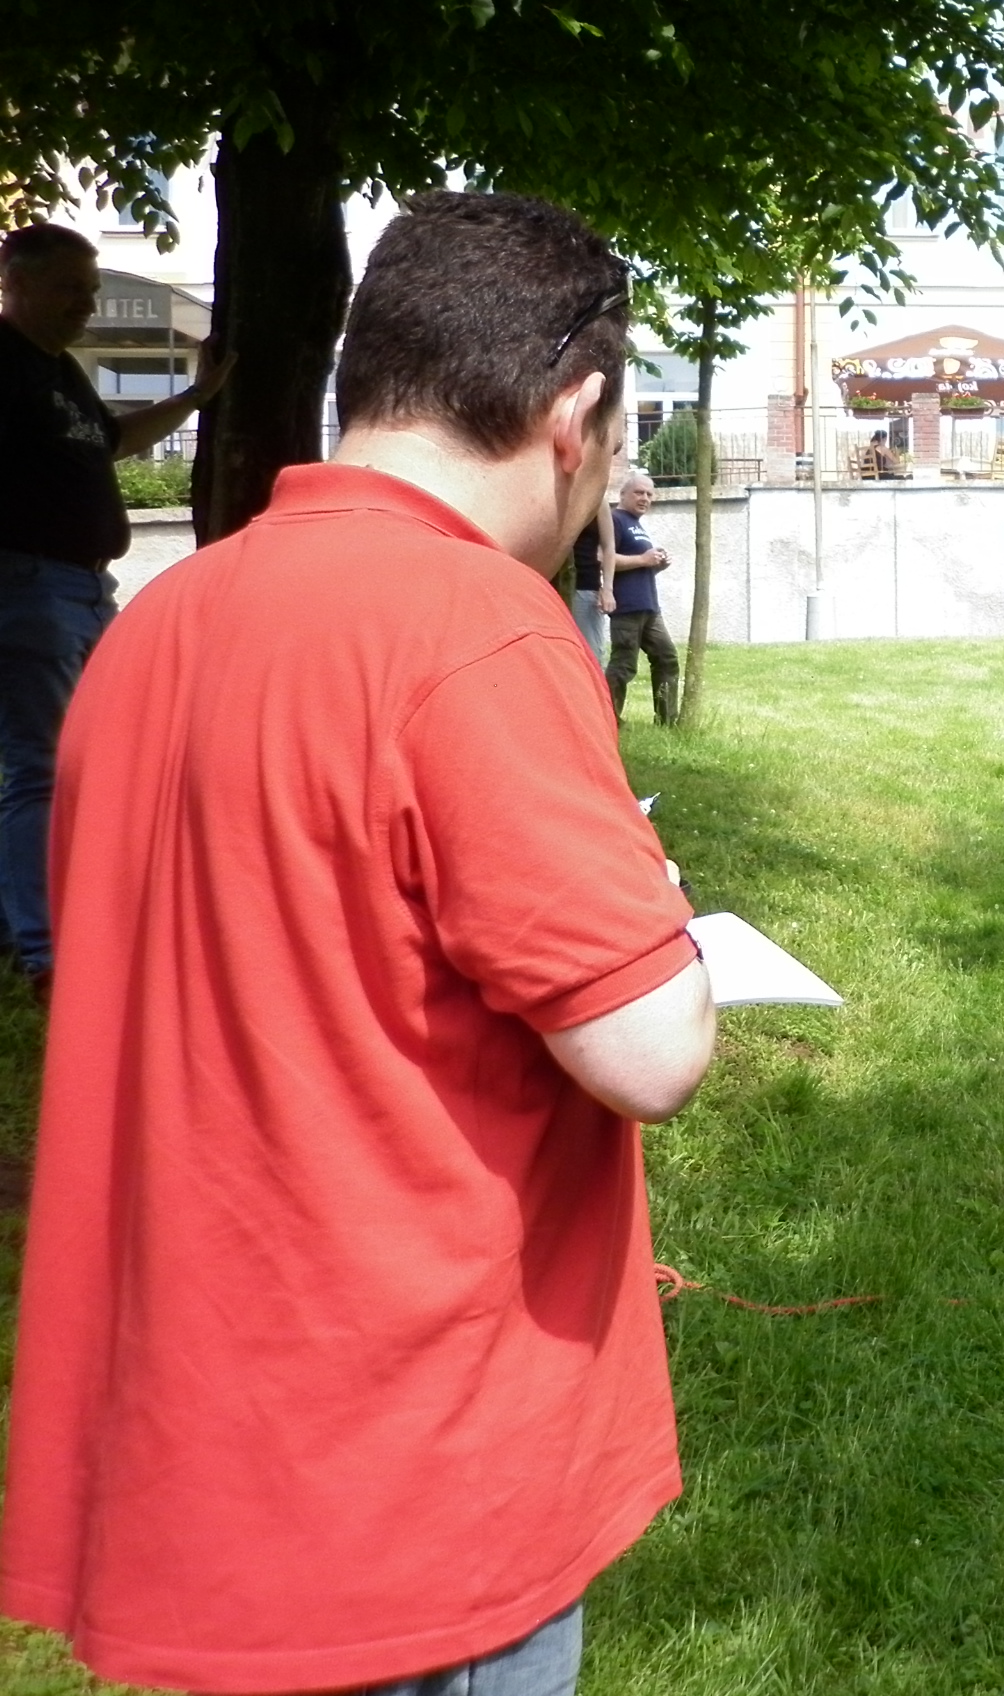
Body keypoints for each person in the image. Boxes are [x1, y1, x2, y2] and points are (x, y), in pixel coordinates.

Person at [0, 190, 717, 1695]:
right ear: (573, 415)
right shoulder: (482, 628)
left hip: (209, 1465)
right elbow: (650, 1051)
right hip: (417, 1491)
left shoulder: (160, 624)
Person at [0, 223, 232, 988]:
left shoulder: (59, 370)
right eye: (69, 287)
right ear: (16, 281)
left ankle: (45, 922)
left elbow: (109, 441)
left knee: (92, 755)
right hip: (27, 586)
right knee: (42, 765)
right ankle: (46, 953)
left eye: (92, 290)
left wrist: (197, 396)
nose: (86, 304)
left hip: (84, 588)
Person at [606, 470, 680, 724]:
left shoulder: (637, 524)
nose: (645, 498)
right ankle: (608, 720)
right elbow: (603, 558)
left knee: (666, 658)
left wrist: (656, 565)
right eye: (639, 492)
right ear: (623, 494)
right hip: (627, 606)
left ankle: (667, 721)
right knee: (624, 665)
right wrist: (642, 559)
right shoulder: (615, 519)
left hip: (649, 606)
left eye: (649, 494)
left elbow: (639, 565)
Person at [569, 491, 615, 662]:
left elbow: (609, 547)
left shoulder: (598, 499)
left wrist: (608, 589)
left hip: (585, 586)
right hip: (551, 584)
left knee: (591, 655)